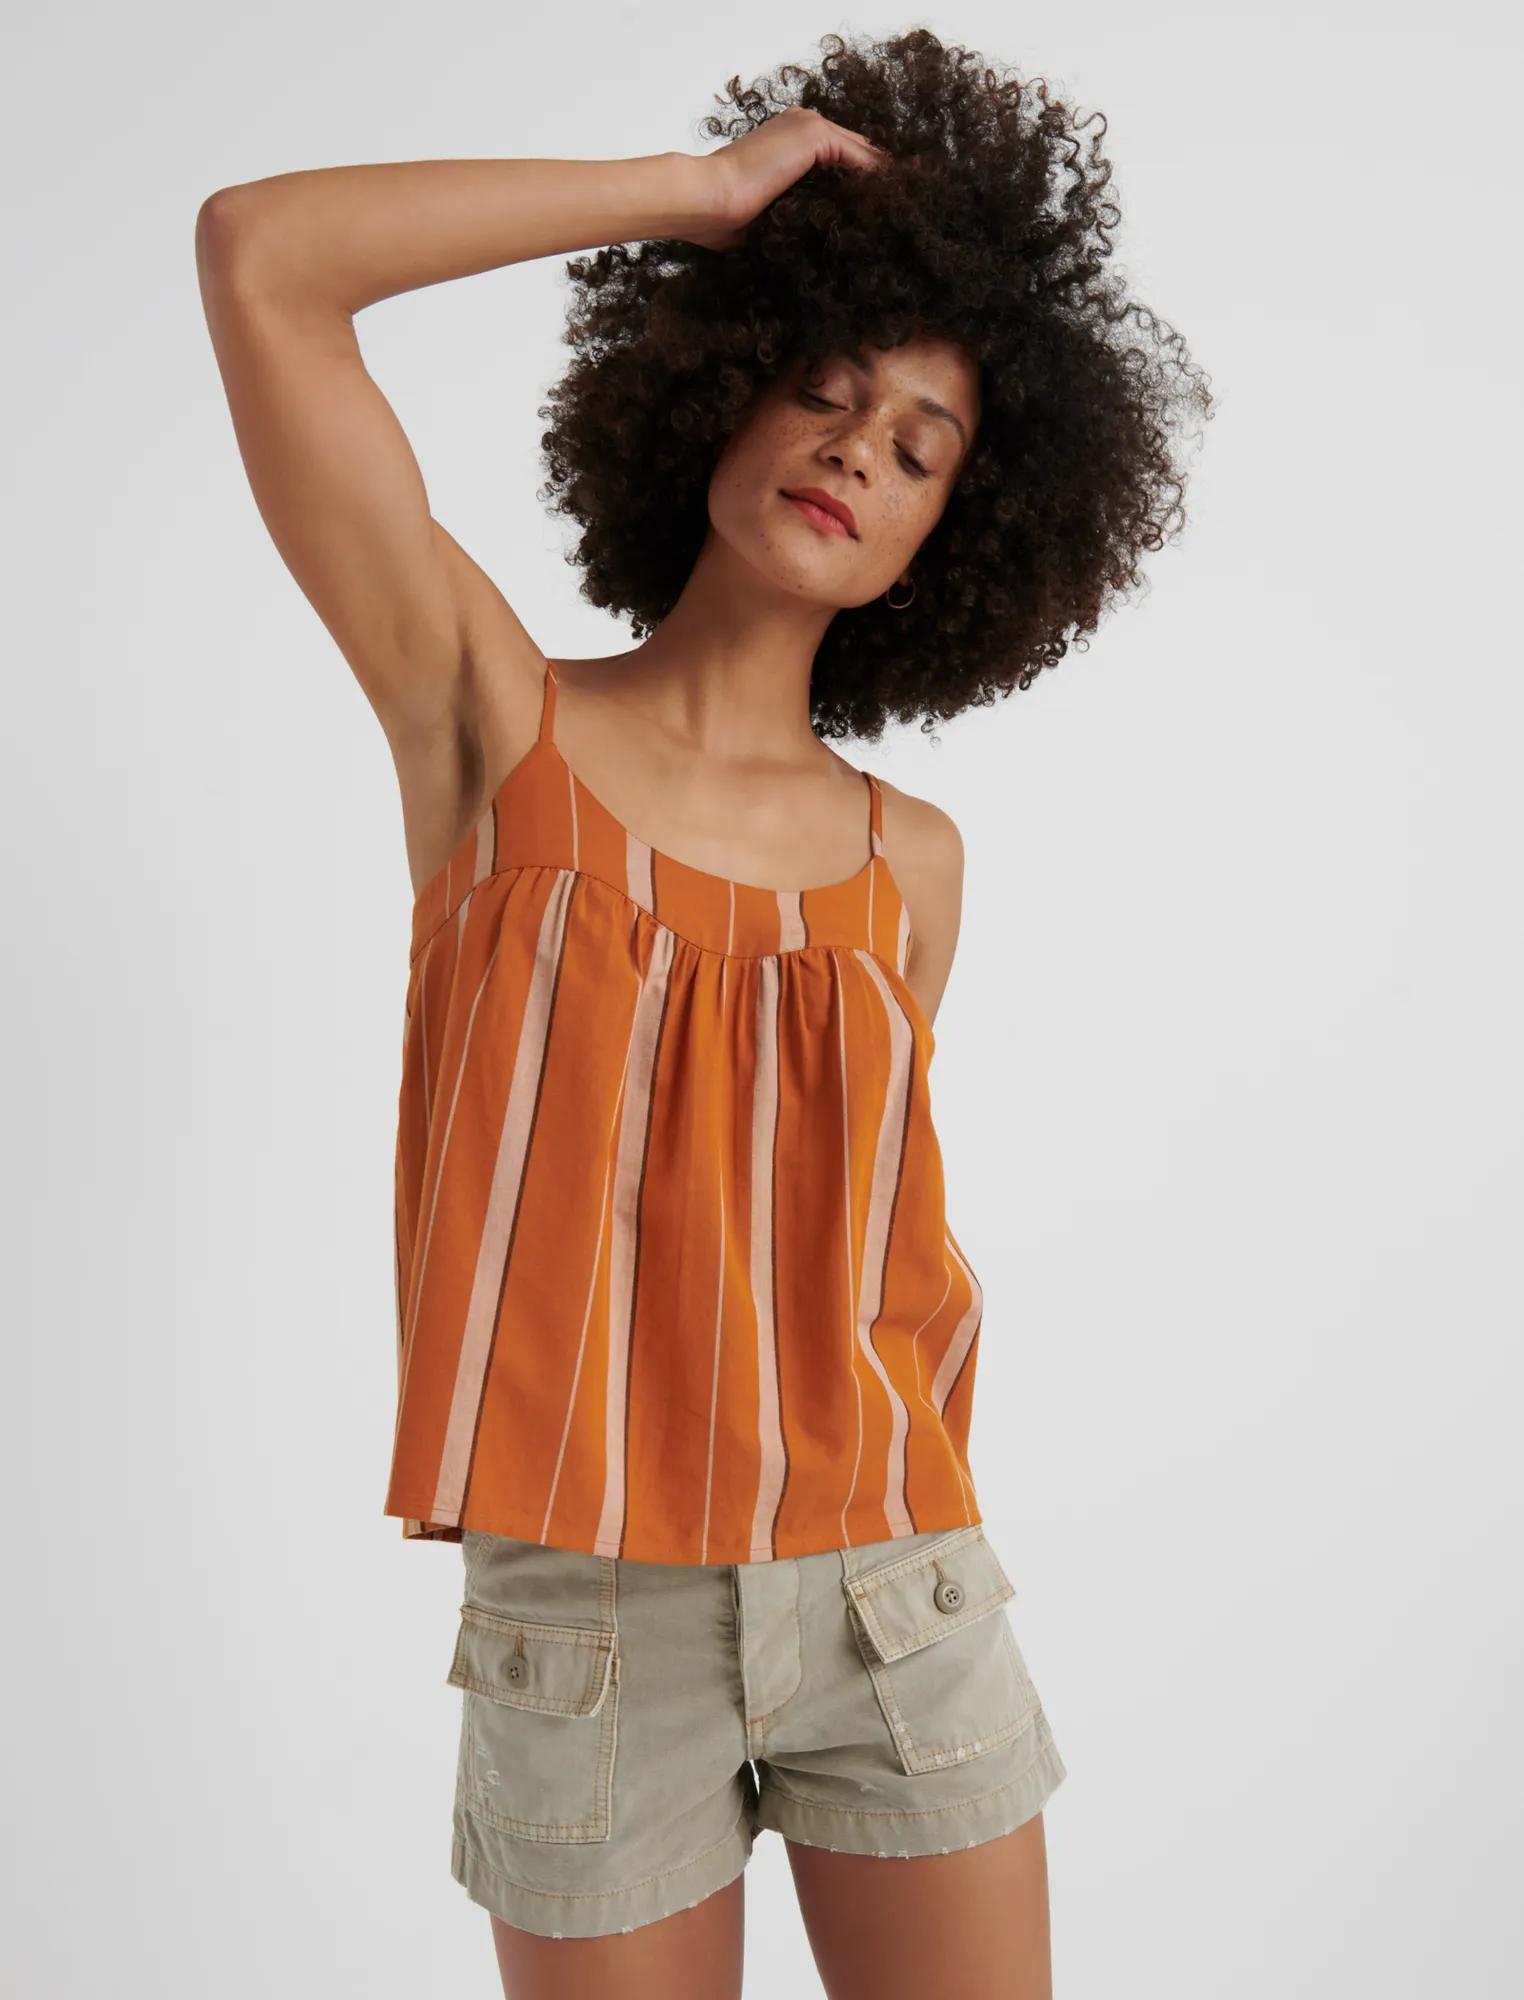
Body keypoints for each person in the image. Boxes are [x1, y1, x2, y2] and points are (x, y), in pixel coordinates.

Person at [195, 27, 1211, 1998]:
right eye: (824, 388)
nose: (855, 449)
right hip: (589, 1619)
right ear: (720, 393)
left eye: (918, 447)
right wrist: (699, 195)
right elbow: (262, 257)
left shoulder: (912, 865)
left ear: (948, 545)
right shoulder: (491, 724)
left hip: (894, 1587)